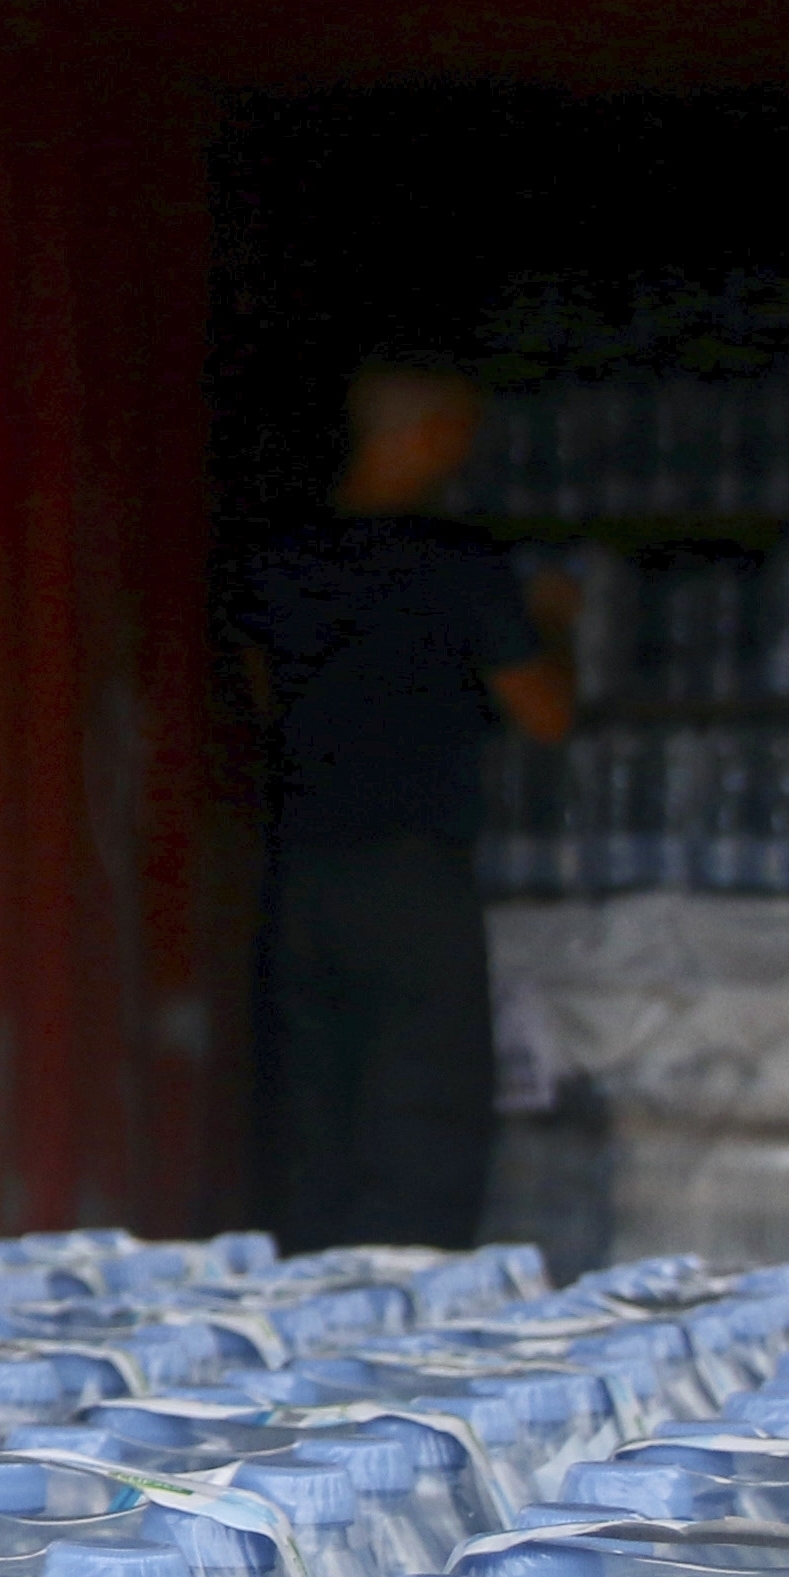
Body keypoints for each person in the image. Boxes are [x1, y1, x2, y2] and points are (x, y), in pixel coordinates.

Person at [233, 364, 574, 1250]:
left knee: (317, 1116)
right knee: (423, 1119)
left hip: (303, 868)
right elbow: (544, 715)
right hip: (413, 875)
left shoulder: (280, 563)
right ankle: (410, 1318)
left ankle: (306, 1303)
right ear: (421, 436)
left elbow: (262, 699)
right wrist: (556, 624)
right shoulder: (460, 565)